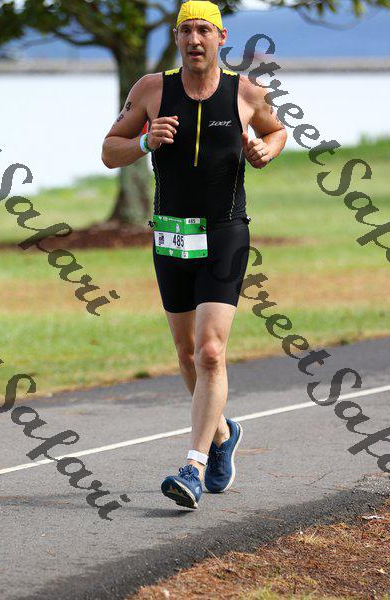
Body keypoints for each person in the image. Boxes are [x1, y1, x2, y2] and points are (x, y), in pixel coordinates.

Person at [102, 0, 287, 509]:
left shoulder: (246, 92)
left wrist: (266, 150)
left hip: (226, 232)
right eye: (186, 30)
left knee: (209, 351)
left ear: (221, 38)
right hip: (171, 234)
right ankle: (223, 434)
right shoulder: (151, 89)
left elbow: (275, 130)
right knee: (186, 354)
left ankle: (193, 466)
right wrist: (145, 141)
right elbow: (109, 150)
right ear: (177, 38)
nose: (194, 39)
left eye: (204, 30)